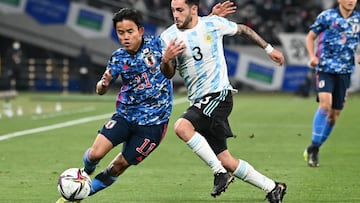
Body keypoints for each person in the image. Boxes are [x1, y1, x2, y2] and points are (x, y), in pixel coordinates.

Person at [56, 3, 235, 203]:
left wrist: (209, 17)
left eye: (130, 31)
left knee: (118, 166)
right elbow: (101, 89)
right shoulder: (118, 58)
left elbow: (187, 29)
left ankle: (78, 194)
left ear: (140, 31)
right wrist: (103, 84)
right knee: (94, 154)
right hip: (125, 116)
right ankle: (84, 173)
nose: (125, 36)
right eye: (120, 32)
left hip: (153, 126)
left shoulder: (159, 44)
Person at [160, 0, 287, 202]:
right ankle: (272, 187)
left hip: (219, 95)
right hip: (199, 101)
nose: (175, 14)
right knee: (226, 159)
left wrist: (269, 49)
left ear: (194, 9)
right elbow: (168, 74)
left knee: (182, 127)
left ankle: (219, 172)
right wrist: (165, 60)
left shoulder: (213, 24)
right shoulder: (167, 37)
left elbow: (244, 30)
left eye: (180, 10)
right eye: (173, 10)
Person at [303, 0, 360, 167]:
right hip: (325, 68)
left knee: (334, 116)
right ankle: (314, 148)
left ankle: (314, 147)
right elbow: (310, 37)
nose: (350, 1)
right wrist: (312, 56)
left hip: (345, 72)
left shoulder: (357, 19)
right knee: (325, 106)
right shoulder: (327, 16)